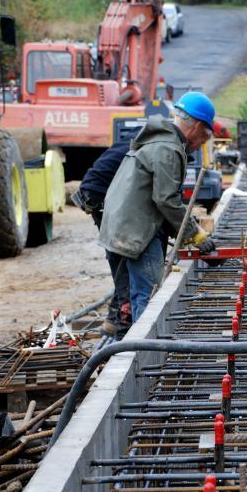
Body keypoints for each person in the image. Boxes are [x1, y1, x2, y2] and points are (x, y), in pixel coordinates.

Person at [99, 92, 217, 322]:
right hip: (137, 233)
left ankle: (127, 348)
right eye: (202, 140)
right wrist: (197, 235)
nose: (197, 147)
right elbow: (166, 200)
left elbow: (159, 200)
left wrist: (185, 236)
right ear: (197, 127)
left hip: (120, 228)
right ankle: (144, 352)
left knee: (132, 299)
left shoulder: (158, 140)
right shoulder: (168, 149)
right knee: (149, 299)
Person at [72, 127, 142, 339]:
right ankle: (122, 332)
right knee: (122, 260)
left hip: (97, 195)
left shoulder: (142, 139)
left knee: (121, 261)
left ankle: (112, 321)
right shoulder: (152, 146)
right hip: (99, 197)